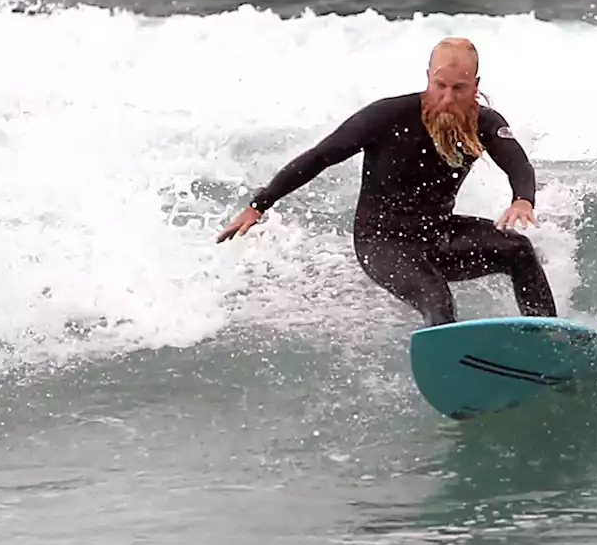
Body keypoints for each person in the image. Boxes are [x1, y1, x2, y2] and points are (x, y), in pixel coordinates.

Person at [216, 37, 558, 328]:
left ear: (476, 86)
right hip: (381, 241)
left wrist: (522, 200)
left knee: (519, 251)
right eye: (440, 86)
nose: (448, 98)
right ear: (428, 78)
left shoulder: (484, 122)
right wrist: (259, 204)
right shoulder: (387, 117)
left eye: (459, 88)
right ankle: (450, 371)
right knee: (435, 296)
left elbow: (518, 164)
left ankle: (547, 338)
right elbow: (321, 156)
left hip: (438, 234)